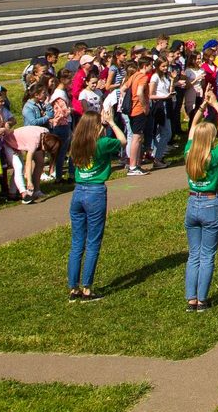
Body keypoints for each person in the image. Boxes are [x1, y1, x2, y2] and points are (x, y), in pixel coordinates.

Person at [183, 86, 218, 311]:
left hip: (192, 203)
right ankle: (202, 299)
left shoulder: (188, 153)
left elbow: (193, 128)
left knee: (193, 254)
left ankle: (190, 298)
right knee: (207, 255)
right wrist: (215, 104)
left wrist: (202, 106)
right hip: (210, 203)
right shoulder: (214, 156)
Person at [67, 108, 125, 301]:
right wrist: (112, 123)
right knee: (92, 242)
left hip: (78, 192)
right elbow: (123, 141)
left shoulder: (76, 143)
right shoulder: (102, 144)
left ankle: (73, 287)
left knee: (77, 243)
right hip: (95, 192)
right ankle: (87, 287)